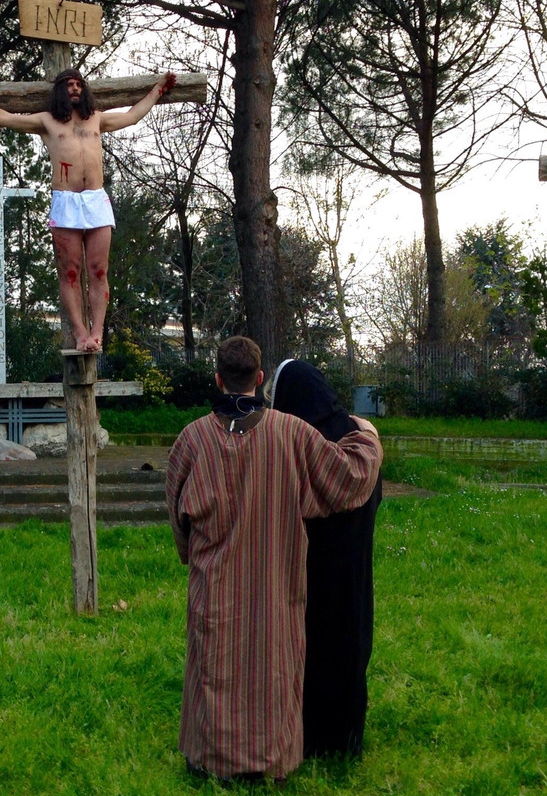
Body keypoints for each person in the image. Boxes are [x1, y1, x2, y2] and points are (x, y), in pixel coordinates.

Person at [166, 336, 383, 784]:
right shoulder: (294, 433)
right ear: (260, 379)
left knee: (216, 663)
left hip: (215, 583)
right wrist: (368, 435)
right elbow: (350, 475)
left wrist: (192, 553)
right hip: (275, 581)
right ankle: (269, 761)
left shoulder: (189, 441)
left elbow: (178, 516)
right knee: (272, 665)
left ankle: (210, 757)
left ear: (218, 378)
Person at [0, 69, 178, 352]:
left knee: (99, 270)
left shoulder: (97, 118)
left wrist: (158, 90)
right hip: (66, 200)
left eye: (79, 84)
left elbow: (131, 116)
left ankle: (97, 333)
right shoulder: (47, 121)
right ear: (59, 90)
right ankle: (81, 334)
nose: (75, 89)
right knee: (70, 271)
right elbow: (5, 117)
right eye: (68, 84)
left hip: (95, 200)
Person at [271, 359, 383, 760]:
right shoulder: (362, 442)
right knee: (350, 646)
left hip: (309, 572)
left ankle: (309, 738)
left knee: (314, 650)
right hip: (355, 571)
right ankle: (346, 739)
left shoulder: (299, 448)